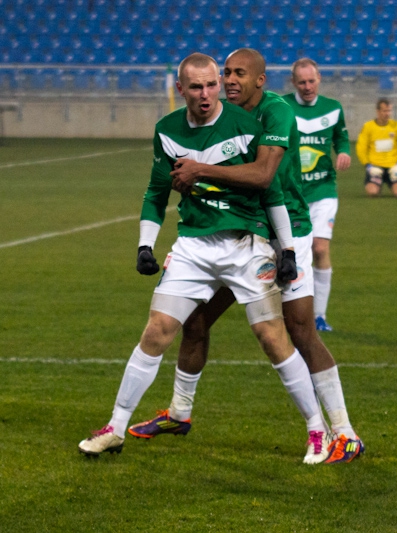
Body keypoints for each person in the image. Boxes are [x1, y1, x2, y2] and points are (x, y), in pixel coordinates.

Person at [78, 53, 327, 459]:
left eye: (213, 84)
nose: (207, 93)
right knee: (157, 330)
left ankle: (317, 430)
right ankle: (116, 427)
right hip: (193, 247)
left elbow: (271, 191)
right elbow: (156, 192)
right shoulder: (166, 130)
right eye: (196, 87)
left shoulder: (247, 127)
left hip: (245, 246)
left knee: (271, 336)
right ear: (181, 90)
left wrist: (285, 250)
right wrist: (145, 245)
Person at [125, 49, 363, 465]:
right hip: (236, 236)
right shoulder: (221, 111)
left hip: (287, 232)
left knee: (299, 329)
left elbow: (262, 176)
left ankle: (344, 432)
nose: (229, 80)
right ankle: (180, 412)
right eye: (226, 73)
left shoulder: (276, 112)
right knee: (194, 319)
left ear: (261, 81)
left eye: (238, 74)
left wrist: (197, 169)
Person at [283, 58, 350, 332]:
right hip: (292, 193)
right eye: (302, 82)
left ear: (319, 78)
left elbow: (341, 137)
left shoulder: (333, 108)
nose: (307, 87)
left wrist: (344, 151)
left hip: (323, 189)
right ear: (293, 82)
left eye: (311, 81)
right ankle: (292, 312)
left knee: (320, 248)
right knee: (290, 254)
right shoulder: (282, 106)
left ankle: (319, 316)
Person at [356, 98, 397, 198]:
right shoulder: (368, 127)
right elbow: (361, 148)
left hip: (393, 168)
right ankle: (378, 184)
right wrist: (368, 166)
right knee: (372, 193)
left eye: (389, 110)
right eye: (384, 111)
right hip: (375, 167)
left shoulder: (396, 126)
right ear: (378, 111)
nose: (387, 114)